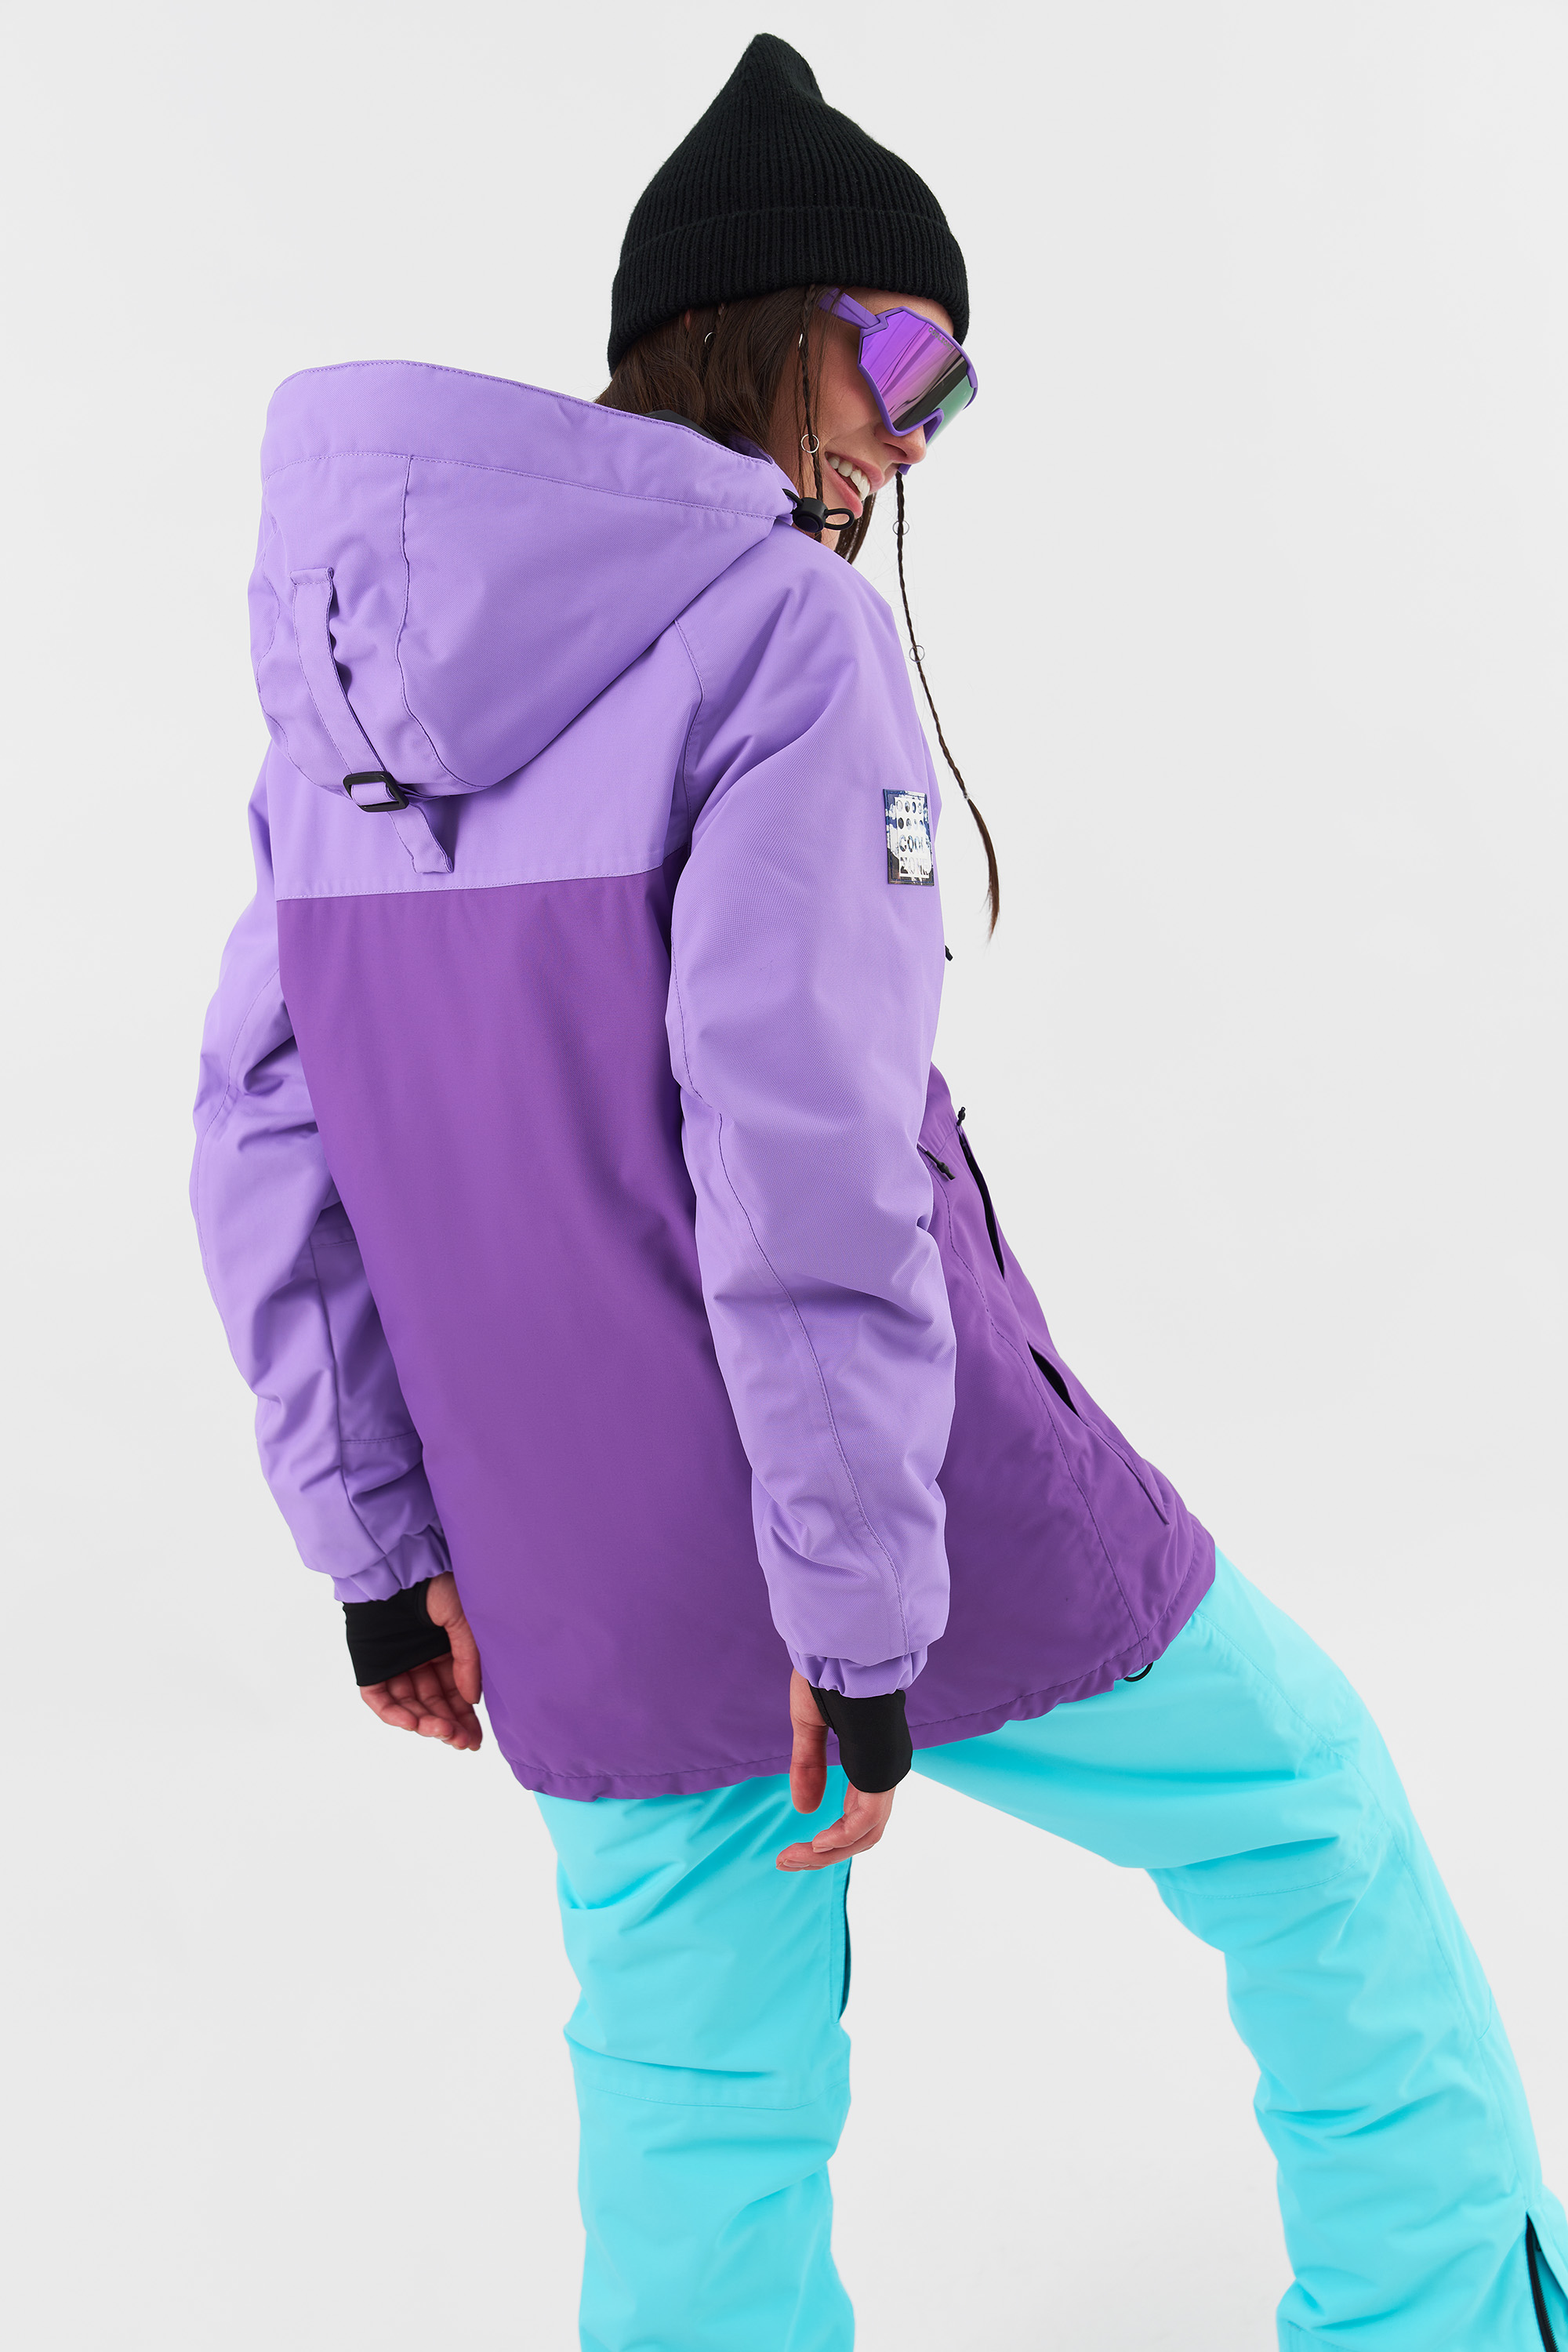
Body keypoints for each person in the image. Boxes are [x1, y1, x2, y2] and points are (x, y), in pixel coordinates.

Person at [191, 32, 1565, 2351]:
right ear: (757, 332)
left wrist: (376, 1554)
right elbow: (803, 1162)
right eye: (910, 359)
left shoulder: (333, 713)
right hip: (888, 1505)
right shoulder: (779, 635)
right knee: (1307, 1815)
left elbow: (261, 1134)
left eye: (958, 391)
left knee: (695, 2105)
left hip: (574, 1564)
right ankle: (1443, 2320)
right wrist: (856, 1617)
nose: (922, 435)